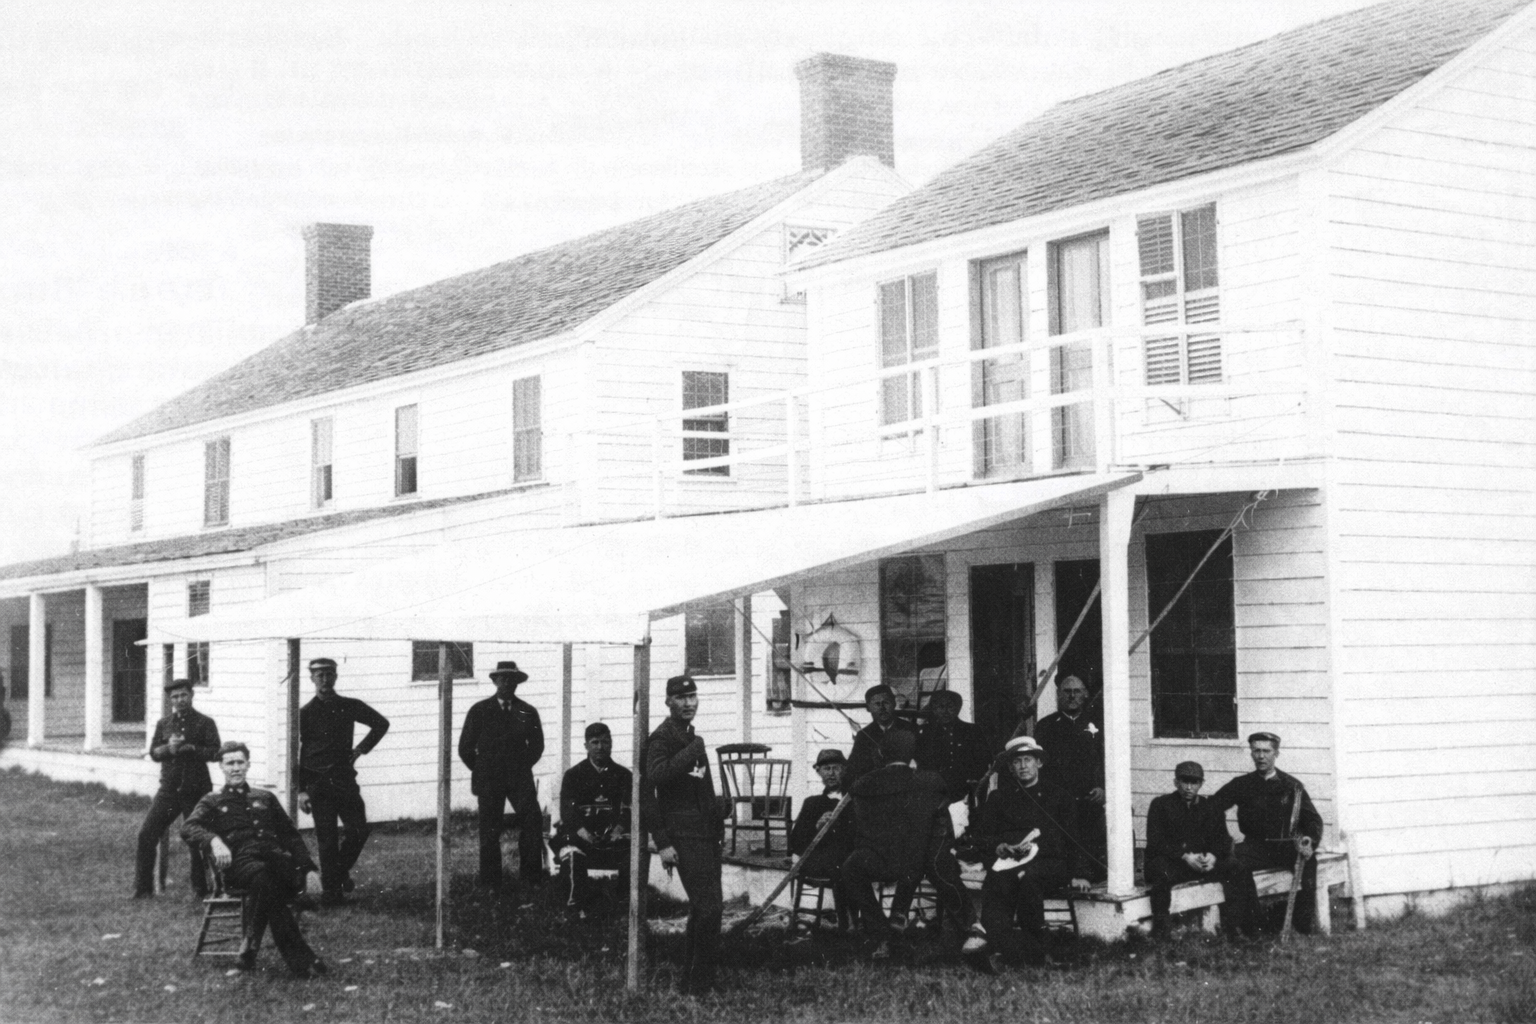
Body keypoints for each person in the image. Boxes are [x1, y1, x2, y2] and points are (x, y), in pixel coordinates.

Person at [182, 741, 326, 978]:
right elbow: (189, 827)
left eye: (240, 762)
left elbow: (290, 836)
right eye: (230, 763)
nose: (236, 768)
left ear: (248, 764)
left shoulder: (265, 797)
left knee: (267, 880)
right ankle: (303, 960)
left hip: (275, 863)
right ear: (221, 767)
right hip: (239, 866)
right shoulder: (212, 800)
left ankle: (249, 948)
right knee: (266, 880)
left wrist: (309, 869)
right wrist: (214, 841)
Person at [839, 729, 979, 959]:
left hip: (879, 859)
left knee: (851, 868)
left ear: (880, 755)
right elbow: (942, 832)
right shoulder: (930, 782)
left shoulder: (863, 785)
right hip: (920, 861)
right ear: (912, 755)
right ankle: (972, 928)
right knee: (939, 860)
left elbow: (859, 832)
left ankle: (881, 931)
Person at [967, 735, 1090, 972]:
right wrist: (999, 846)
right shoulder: (999, 798)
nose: (1023, 766)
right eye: (1017, 762)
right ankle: (998, 948)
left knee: (1027, 877)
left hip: (1051, 863)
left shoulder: (1058, 797)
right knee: (998, 878)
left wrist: (1080, 873)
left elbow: (1075, 839)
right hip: (1011, 862)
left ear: (1039, 763)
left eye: (1028, 760)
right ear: (1011, 767)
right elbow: (982, 837)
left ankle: (1036, 951)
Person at [644, 674, 727, 994]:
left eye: (693, 696)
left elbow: (699, 788)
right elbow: (654, 780)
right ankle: (697, 984)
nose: (688, 703)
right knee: (710, 909)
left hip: (704, 834)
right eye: (681, 698)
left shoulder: (690, 735)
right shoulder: (663, 738)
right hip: (682, 836)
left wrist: (719, 811)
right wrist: (663, 842)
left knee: (703, 909)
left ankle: (695, 981)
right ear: (668, 701)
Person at [1207, 731, 1324, 934]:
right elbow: (1212, 808)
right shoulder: (1241, 784)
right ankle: (1253, 926)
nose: (1261, 756)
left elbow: (1313, 819)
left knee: (1309, 865)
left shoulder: (1292, 786)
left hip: (1287, 845)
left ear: (1276, 753)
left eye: (1266, 751)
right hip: (1256, 846)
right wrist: (1224, 840)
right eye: (1256, 751)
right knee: (1233, 864)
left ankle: (1304, 927)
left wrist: (1309, 840)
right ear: (1251, 753)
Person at [296, 656, 389, 905]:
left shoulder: (349, 705)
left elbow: (381, 723)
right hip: (317, 783)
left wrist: (360, 750)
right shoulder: (304, 713)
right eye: (320, 675)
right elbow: (300, 752)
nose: (325, 680)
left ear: (335, 677)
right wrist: (301, 790)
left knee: (358, 830)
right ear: (312, 678)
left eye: (329, 674)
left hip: (344, 779)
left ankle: (336, 874)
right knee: (326, 838)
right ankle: (332, 895)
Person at [1144, 761, 1258, 938]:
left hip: (1202, 865)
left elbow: (1223, 839)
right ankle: (1161, 930)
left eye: (1194, 783)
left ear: (1201, 784)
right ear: (1176, 782)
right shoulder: (1161, 805)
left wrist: (1212, 856)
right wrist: (1184, 856)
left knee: (1238, 868)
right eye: (1184, 782)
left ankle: (1239, 928)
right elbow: (1156, 841)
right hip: (1175, 864)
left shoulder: (1210, 807)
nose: (1189, 788)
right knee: (1160, 871)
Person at [459, 661, 546, 888]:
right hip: (489, 780)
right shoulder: (479, 710)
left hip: (520, 780)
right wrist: (483, 769)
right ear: (495, 681)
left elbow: (537, 746)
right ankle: (491, 883)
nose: (507, 683)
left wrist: (520, 766)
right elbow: (465, 748)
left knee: (532, 821)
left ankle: (530, 878)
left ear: (517, 682)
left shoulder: (527, 711)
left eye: (512, 679)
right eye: (503, 678)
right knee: (489, 830)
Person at [134, 678, 222, 898]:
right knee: (146, 834)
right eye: (175, 697)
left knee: (197, 839)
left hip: (197, 789)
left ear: (192, 695)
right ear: (169, 700)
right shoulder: (164, 723)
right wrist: (169, 749)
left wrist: (191, 748)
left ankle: (201, 890)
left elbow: (215, 752)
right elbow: (154, 753)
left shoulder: (205, 722)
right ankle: (143, 890)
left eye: (183, 695)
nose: (180, 700)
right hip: (169, 790)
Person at [549, 722, 632, 913]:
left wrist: (617, 831)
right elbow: (568, 812)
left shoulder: (624, 776)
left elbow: (629, 809)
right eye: (595, 742)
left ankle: (625, 904)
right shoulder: (573, 775)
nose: (600, 747)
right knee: (571, 852)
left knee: (634, 850)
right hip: (583, 836)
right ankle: (576, 905)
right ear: (586, 745)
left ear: (611, 744)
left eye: (605, 742)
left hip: (614, 837)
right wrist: (586, 835)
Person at [1033, 675, 1106, 880]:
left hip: (1089, 798)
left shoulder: (1097, 725)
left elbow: (1107, 759)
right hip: (1056, 798)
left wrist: (1103, 788)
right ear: (1058, 695)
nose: (1072, 696)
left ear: (1085, 695)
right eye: (1066, 691)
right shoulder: (1046, 725)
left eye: (1076, 691)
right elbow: (1039, 764)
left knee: (1091, 845)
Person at [788, 748, 856, 933]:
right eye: (826, 769)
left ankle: (851, 921)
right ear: (818, 772)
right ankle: (847, 922)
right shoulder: (812, 803)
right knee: (840, 864)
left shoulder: (853, 802)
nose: (832, 773)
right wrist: (816, 828)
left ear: (844, 770)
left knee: (848, 863)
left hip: (846, 859)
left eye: (836, 768)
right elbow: (795, 843)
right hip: (817, 861)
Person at [914, 690, 992, 806]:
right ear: (934, 709)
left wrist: (973, 784)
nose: (945, 711)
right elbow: (921, 763)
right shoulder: (925, 733)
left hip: (964, 792)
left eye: (950, 706)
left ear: (958, 708)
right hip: (934, 793)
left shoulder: (972, 731)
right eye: (940, 706)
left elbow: (984, 761)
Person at [844, 684, 918, 787]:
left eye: (886, 703)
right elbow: (854, 769)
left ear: (894, 703)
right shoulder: (864, 736)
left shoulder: (910, 729)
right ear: (868, 708)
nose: (882, 708)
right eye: (877, 704)